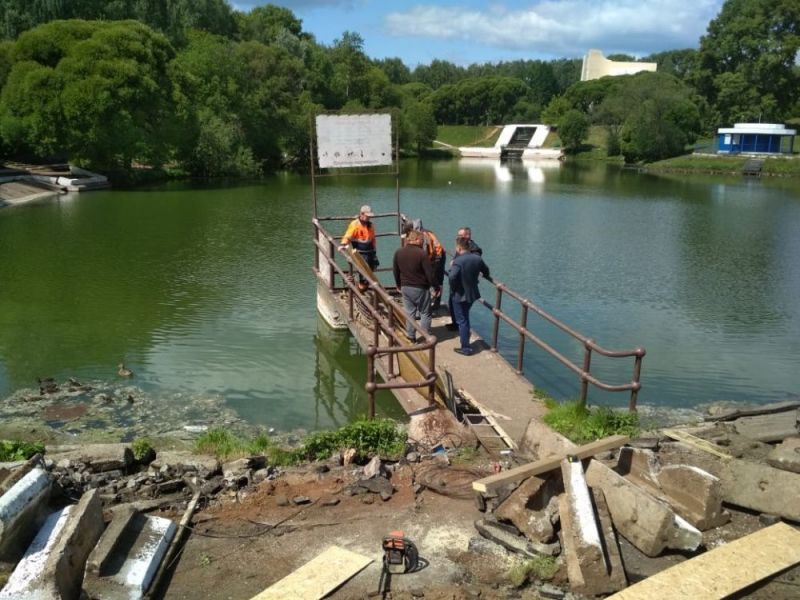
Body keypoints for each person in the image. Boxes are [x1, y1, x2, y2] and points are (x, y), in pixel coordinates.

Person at [448, 236, 491, 356]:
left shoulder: (458, 261)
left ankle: (465, 348)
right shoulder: (477, 258)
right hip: (472, 294)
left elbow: (452, 277)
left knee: (462, 320)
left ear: (459, 247)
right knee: (465, 318)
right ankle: (466, 342)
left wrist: (453, 288)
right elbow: (486, 270)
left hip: (459, 295)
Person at [393, 229, 436, 342]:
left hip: (405, 287)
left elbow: (395, 271)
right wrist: (435, 287)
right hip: (420, 288)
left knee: (409, 312)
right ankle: (426, 336)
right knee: (425, 312)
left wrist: (398, 284)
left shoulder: (398, 252)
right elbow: (429, 274)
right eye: (422, 240)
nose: (423, 242)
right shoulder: (422, 254)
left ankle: (411, 336)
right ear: (416, 239)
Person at [447, 226, 483, 328]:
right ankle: (455, 324)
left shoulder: (475, 249)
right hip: (456, 279)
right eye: (458, 235)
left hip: (465, 282)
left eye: (460, 235)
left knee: (462, 312)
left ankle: (461, 330)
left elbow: (473, 263)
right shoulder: (461, 245)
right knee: (451, 302)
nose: (458, 237)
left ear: (467, 235)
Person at [339, 205, 378, 291]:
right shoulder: (355, 224)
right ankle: (360, 288)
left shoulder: (370, 225)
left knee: (372, 270)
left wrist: (375, 250)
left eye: (370, 217)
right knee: (364, 276)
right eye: (367, 216)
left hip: (370, 252)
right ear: (361, 214)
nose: (369, 218)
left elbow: (373, 239)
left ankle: (363, 287)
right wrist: (343, 245)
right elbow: (347, 236)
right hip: (360, 253)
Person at [412, 219, 446, 310]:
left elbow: (424, 255)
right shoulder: (428, 232)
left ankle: (430, 302)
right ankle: (436, 302)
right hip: (440, 255)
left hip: (436, 259)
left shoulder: (423, 237)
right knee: (438, 280)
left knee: (431, 280)